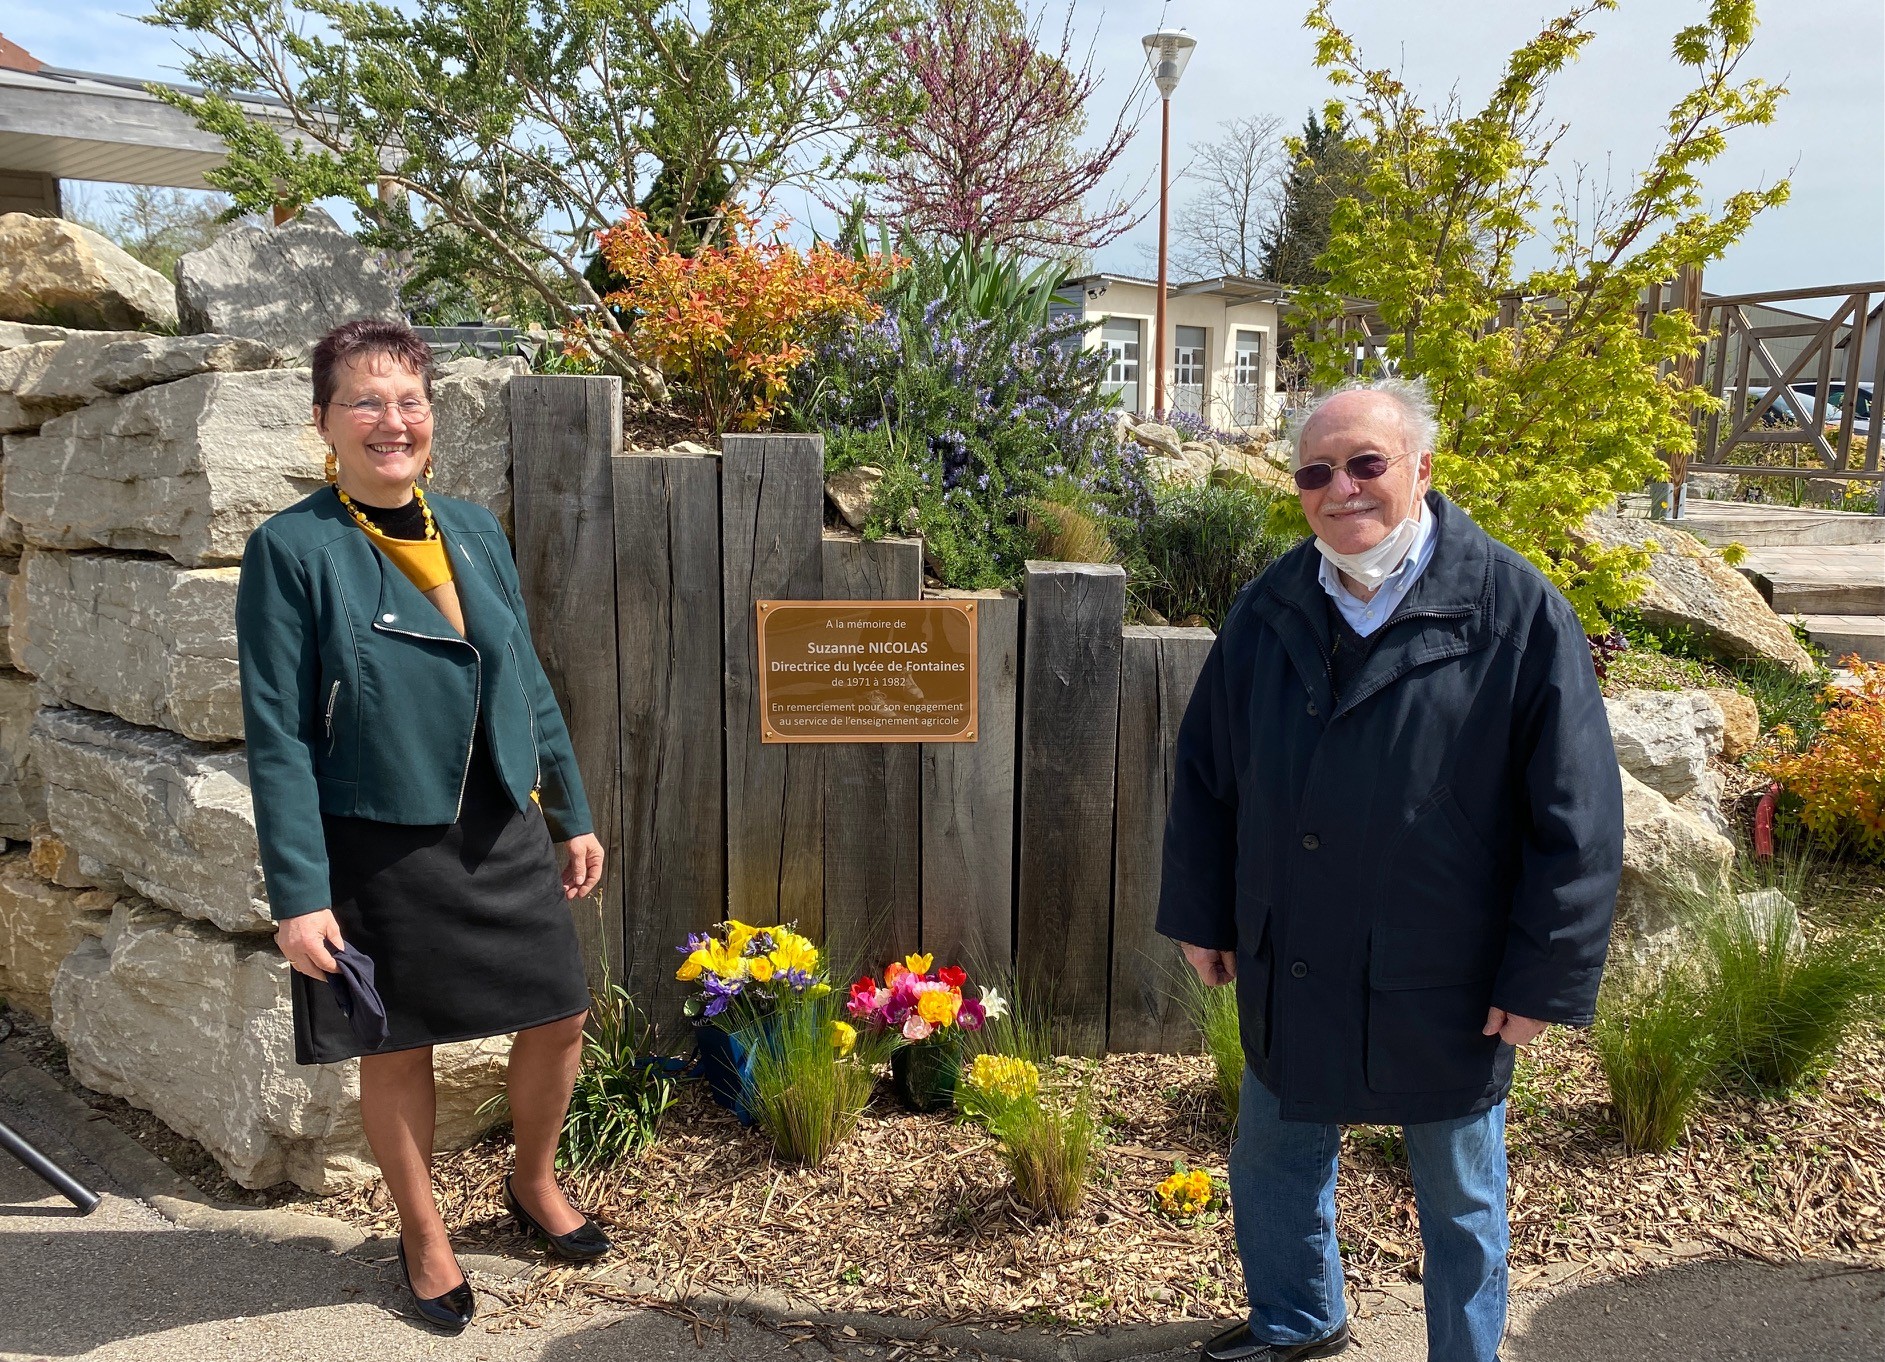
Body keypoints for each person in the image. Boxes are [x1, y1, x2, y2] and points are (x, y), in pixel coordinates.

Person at [1158, 378, 1623, 1362]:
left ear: (1420, 470)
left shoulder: (1516, 610)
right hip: (1298, 957)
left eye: (1365, 463)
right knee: (1274, 1158)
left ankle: (1465, 1353)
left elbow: (1576, 817)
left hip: (1445, 975)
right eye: (1315, 471)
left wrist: (1542, 979)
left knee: (1458, 1195)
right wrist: (1204, 912)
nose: (1341, 489)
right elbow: (1208, 774)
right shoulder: (1271, 606)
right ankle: (1298, 1320)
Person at [237, 319, 611, 1333]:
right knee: (397, 1045)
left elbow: (523, 678)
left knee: (559, 1011)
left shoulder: (474, 529)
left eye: (408, 401)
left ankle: (531, 1183)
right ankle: (424, 1233)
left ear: (429, 418)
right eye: (365, 401)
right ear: (324, 420)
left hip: (498, 821)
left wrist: (568, 809)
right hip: (378, 831)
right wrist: (299, 893)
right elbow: (273, 731)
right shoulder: (291, 548)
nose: (390, 422)